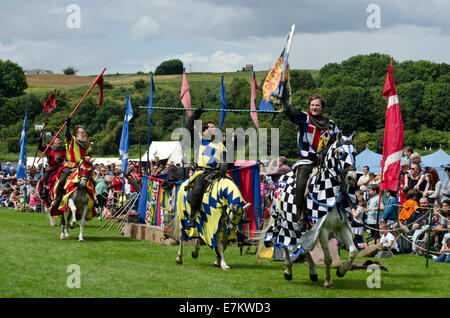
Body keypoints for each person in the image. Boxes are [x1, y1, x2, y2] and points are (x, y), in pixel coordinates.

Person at [280, 92, 340, 233]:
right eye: (312, 105)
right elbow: (291, 113)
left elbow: (336, 141)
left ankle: (341, 213)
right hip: (306, 161)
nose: (314, 107)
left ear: (322, 107)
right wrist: (285, 101)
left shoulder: (331, 125)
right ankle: (301, 217)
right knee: (301, 184)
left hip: (324, 163)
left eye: (317, 105)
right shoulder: (304, 118)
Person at [184, 108, 230, 223]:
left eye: (214, 127)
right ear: (205, 130)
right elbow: (188, 128)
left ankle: (231, 213)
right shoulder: (199, 139)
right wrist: (196, 114)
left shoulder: (220, 144)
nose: (214, 129)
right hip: (203, 173)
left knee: (231, 186)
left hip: (218, 172)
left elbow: (225, 159)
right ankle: (192, 216)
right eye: (211, 127)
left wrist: (223, 168)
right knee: (198, 189)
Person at [51, 118, 92, 215]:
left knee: (92, 181)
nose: (83, 133)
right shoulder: (72, 140)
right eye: (81, 132)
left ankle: (93, 201)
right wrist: (67, 126)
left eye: (83, 132)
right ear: (77, 134)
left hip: (82, 168)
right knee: (62, 181)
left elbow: (89, 155)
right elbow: (67, 135)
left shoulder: (87, 144)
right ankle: (57, 199)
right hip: (70, 166)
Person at [37, 135, 66, 207]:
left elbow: (66, 156)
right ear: (53, 142)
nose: (59, 142)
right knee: (46, 177)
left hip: (60, 167)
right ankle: (44, 191)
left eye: (59, 140)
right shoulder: (49, 148)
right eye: (57, 140)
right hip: (51, 167)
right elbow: (40, 147)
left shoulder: (63, 149)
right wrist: (40, 138)